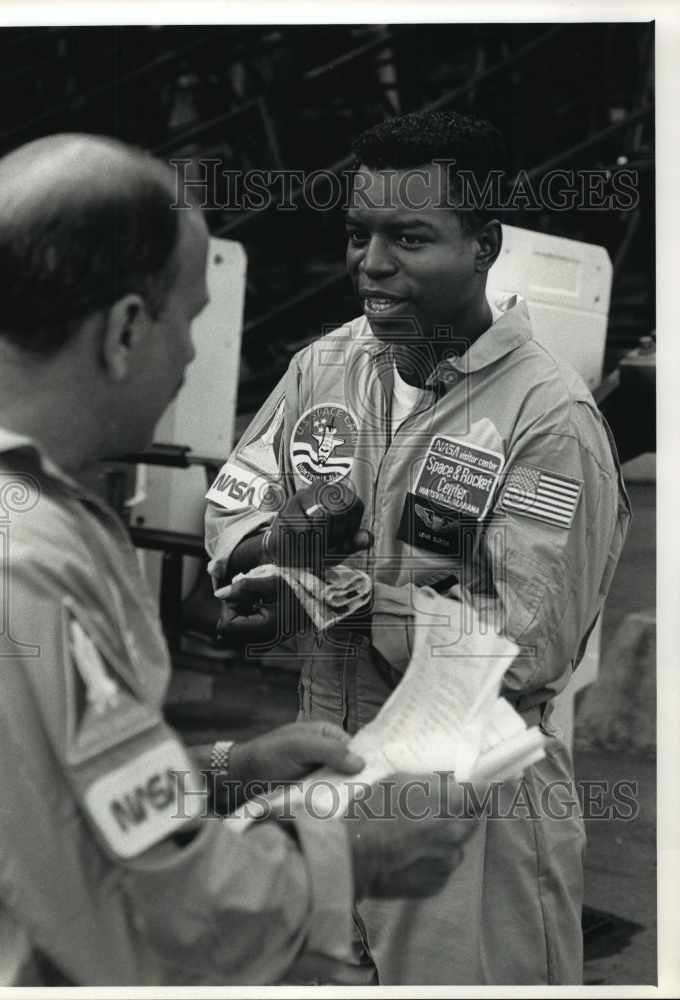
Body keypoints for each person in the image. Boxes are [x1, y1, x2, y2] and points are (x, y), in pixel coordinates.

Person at [0, 133, 473, 988]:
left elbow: (59, 787)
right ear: (127, 331)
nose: (187, 360)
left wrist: (222, 773)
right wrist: (347, 851)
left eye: (410, 236)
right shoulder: (24, 562)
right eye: (191, 322)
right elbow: (156, 912)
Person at [206, 111, 632, 984]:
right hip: (327, 774)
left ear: (485, 244)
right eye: (358, 234)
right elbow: (235, 500)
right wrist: (269, 559)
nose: (371, 263)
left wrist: (334, 581)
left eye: (409, 237)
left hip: (471, 813)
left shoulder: (548, 421)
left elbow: (518, 652)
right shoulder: (327, 366)